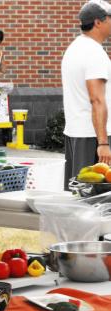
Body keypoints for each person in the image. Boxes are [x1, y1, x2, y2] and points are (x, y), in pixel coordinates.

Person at [62, 0, 111, 188]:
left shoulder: (74, 48)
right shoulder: (94, 53)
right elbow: (97, 99)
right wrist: (103, 143)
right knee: (96, 202)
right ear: (98, 22)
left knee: (78, 196)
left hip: (77, 132)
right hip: (94, 137)